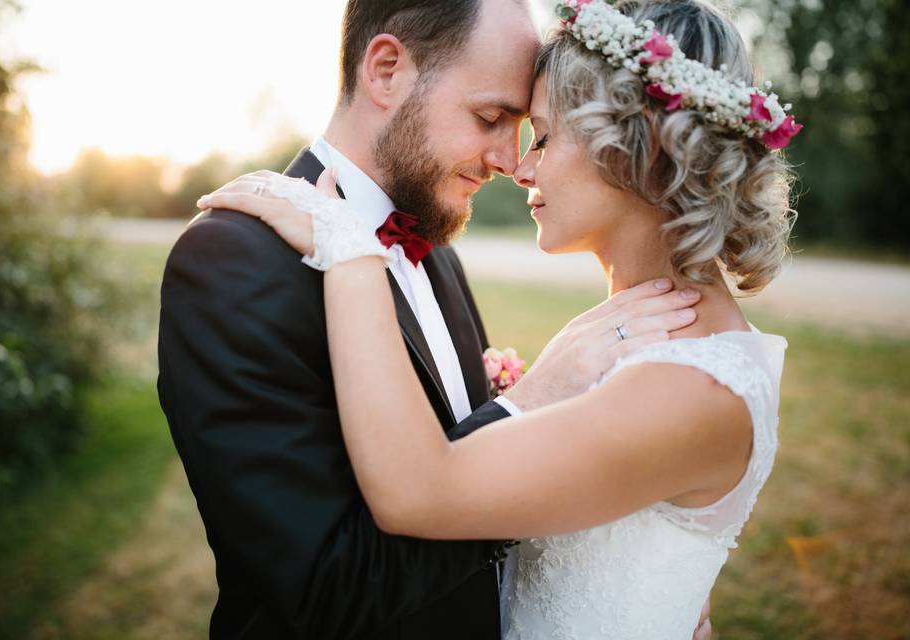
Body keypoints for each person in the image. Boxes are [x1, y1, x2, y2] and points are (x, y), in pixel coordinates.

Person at [195, 0, 798, 638]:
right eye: (494, 119)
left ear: (634, 152)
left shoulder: (692, 387)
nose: (519, 164)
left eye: (540, 134)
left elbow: (421, 491)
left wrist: (350, 256)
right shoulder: (643, 341)